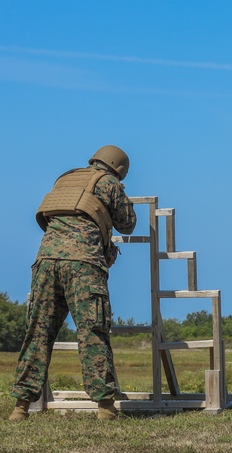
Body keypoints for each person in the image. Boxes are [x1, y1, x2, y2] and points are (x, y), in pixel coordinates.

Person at [9, 145, 137, 421]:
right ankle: (105, 407)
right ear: (119, 169)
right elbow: (128, 224)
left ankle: (20, 407)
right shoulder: (109, 183)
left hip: (45, 260)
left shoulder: (65, 178)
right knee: (92, 331)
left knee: (38, 332)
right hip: (83, 263)